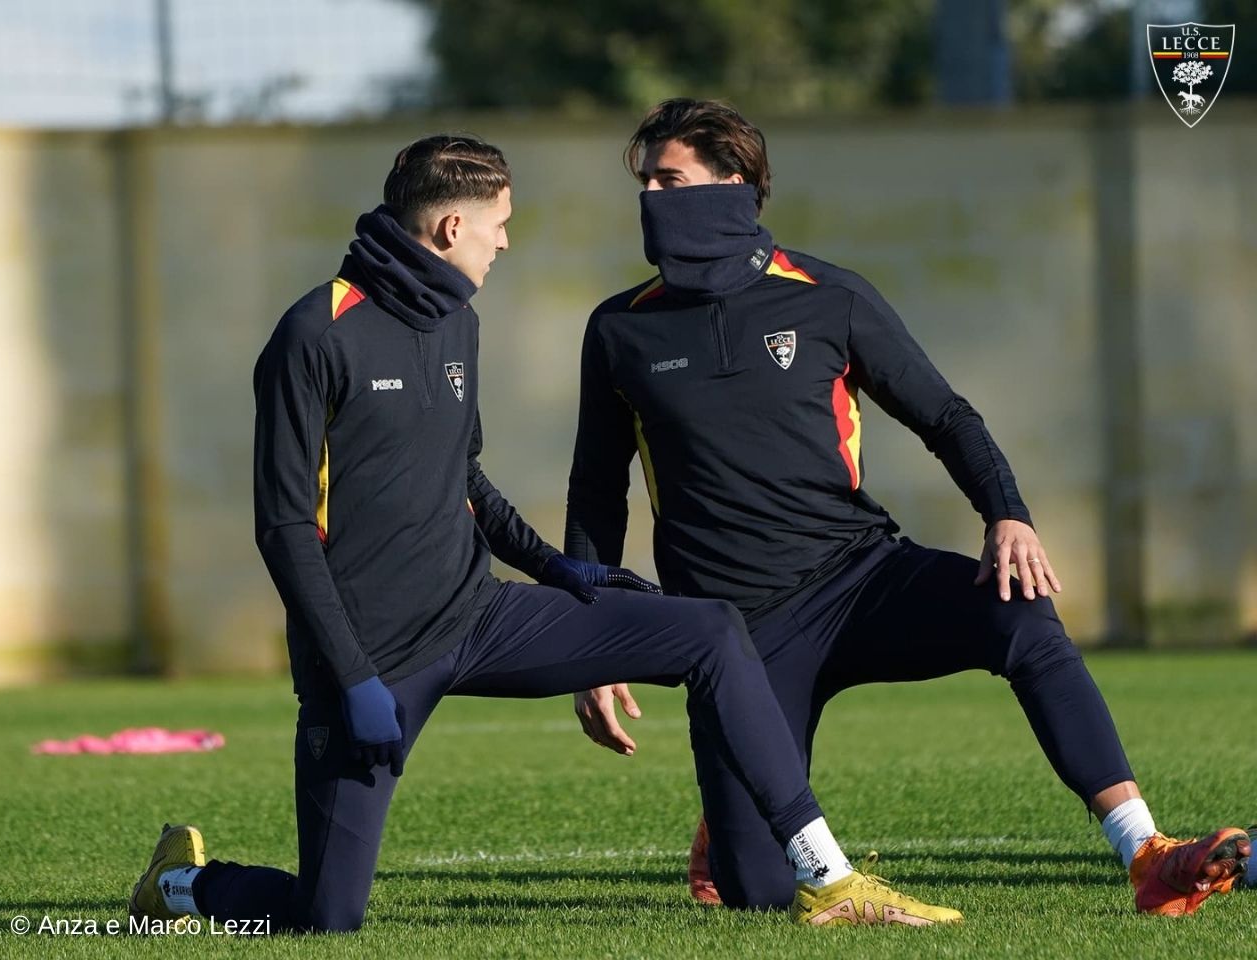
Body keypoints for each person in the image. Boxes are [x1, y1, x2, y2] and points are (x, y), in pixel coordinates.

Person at [127, 135, 964, 934]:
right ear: (452, 226)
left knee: (710, 631)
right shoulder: (314, 334)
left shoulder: (458, 322)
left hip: (481, 619)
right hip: (371, 661)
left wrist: (560, 570)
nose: (504, 243)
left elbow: (467, 480)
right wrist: (351, 677)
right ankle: (178, 885)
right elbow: (282, 528)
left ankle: (826, 877)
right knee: (326, 918)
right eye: (499, 225)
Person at [564, 99, 1250, 918]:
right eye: (644, 182)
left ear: (733, 183)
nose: (650, 197)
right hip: (734, 635)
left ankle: (1144, 851)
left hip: (858, 579)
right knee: (758, 896)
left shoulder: (829, 296)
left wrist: (1007, 514)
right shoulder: (619, 329)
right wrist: (590, 639)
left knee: (1022, 614)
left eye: (669, 180)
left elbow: (945, 416)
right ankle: (731, 818)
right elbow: (595, 490)